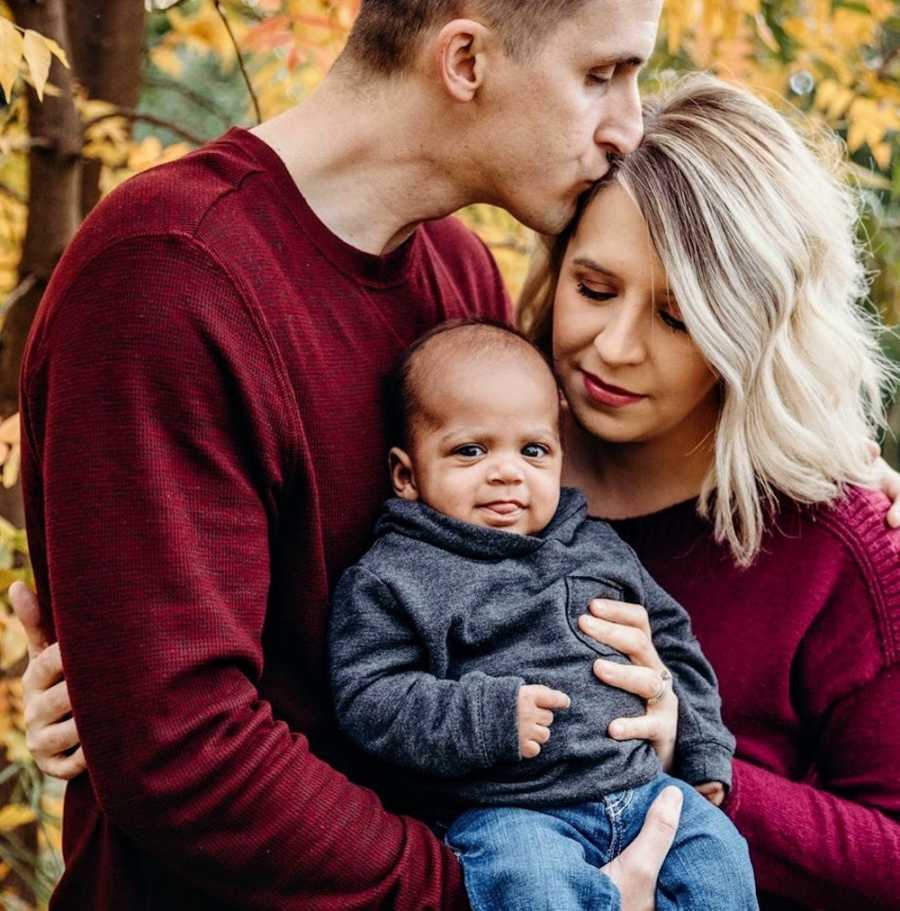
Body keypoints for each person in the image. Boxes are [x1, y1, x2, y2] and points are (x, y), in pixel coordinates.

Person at [11, 1, 684, 909]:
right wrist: (489, 888)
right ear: (465, 60)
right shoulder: (168, 276)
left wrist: (841, 489)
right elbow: (185, 751)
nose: (627, 128)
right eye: (602, 75)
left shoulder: (458, 276)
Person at [512, 73, 900, 909]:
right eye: (594, 287)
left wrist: (697, 765)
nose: (613, 347)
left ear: (752, 330)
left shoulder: (840, 544)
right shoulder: (478, 447)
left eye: (678, 318)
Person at [328, 319, 758, 911]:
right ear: (407, 474)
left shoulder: (596, 548)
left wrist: (703, 749)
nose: (508, 471)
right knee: (530, 882)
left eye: (533, 450)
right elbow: (368, 696)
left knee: (720, 860)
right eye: (470, 450)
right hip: (511, 813)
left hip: (643, 788)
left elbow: (675, 646)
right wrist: (485, 715)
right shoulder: (395, 576)